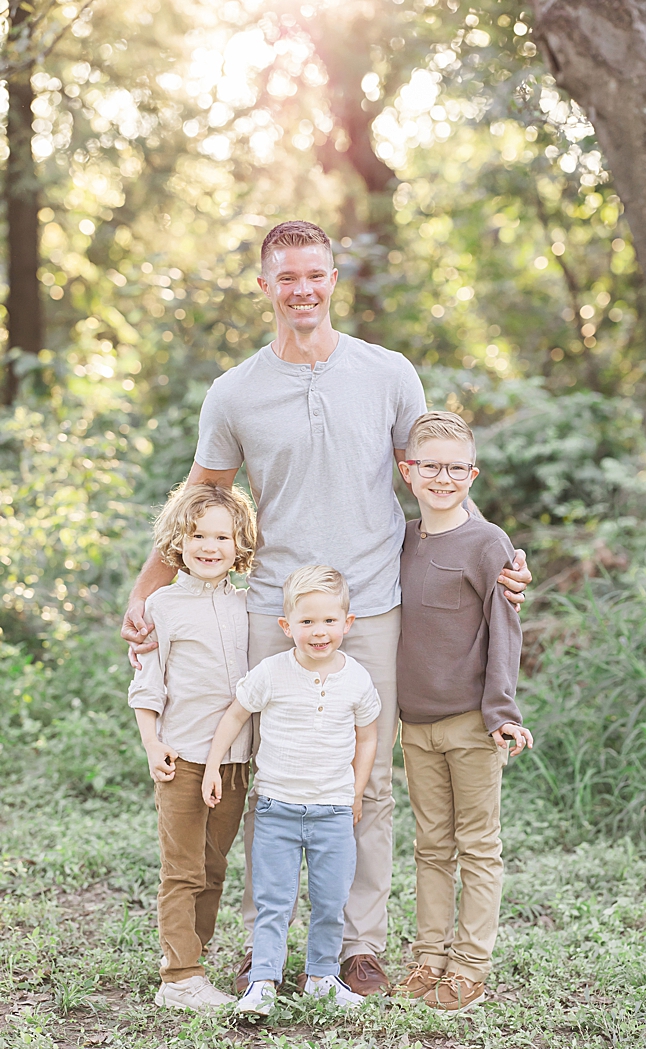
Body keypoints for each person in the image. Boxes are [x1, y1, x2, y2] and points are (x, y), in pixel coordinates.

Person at [121, 219, 531, 995]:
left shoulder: (388, 373)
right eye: (286, 277)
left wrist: (494, 554)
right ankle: (262, 944)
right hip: (272, 608)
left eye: (315, 275)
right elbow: (201, 491)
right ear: (264, 286)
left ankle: (356, 945)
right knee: (265, 775)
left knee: (364, 780)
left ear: (334, 279)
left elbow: (440, 475)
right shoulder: (235, 390)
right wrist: (147, 588)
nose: (302, 289)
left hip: (375, 603)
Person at [387, 411, 533, 1011]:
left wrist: (501, 711)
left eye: (455, 468)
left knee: (478, 846)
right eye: (430, 467)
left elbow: (506, 629)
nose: (442, 478)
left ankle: (470, 964)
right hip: (413, 724)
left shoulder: (487, 542)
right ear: (408, 472)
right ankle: (428, 956)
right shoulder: (396, 536)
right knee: (429, 846)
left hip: (472, 722)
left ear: (471, 474)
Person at [203, 565, 380, 1016]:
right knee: (273, 900)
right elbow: (234, 716)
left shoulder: (357, 678)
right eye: (306, 622)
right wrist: (210, 768)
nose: (318, 632)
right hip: (277, 809)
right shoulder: (271, 673)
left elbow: (369, 737)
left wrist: (356, 792)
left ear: (347, 623)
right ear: (287, 627)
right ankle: (263, 980)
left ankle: (321, 976)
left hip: (333, 812)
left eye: (328, 621)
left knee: (330, 900)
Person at [127, 481, 259, 1011]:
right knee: (182, 868)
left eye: (223, 537)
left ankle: (193, 960)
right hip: (181, 757)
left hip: (233, 762)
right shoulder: (163, 606)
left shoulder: (250, 605)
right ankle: (179, 975)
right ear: (178, 542)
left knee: (214, 865)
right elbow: (146, 683)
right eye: (199, 535)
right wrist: (152, 743)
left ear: (240, 544)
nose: (210, 546)